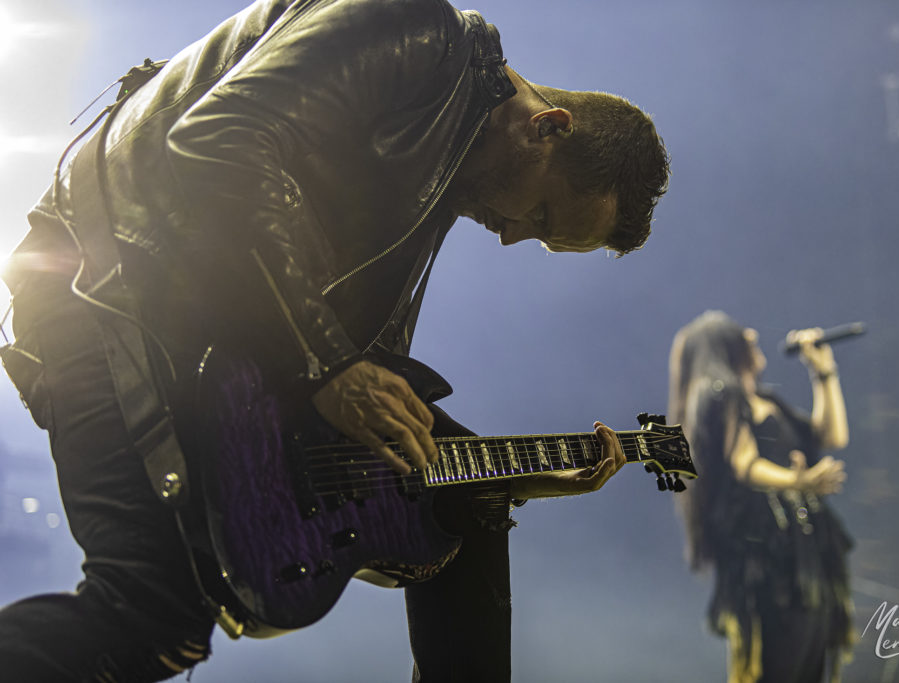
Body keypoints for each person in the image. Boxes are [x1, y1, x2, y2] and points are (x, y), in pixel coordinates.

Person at [0, 0, 670, 680]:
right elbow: (218, 138)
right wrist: (328, 363)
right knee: (149, 612)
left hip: (203, 326)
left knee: (462, 511)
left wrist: (508, 479)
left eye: (542, 237)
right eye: (542, 213)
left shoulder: (450, 163)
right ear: (547, 129)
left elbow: (367, 385)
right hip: (99, 282)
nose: (512, 234)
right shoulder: (412, 27)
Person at [668, 311, 853, 683]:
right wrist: (797, 482)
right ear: (725, 349)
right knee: (779, 662)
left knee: (810, 658)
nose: (751, 334)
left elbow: (832, 435)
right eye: (739, 334)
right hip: (768, 561)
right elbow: (744, 462)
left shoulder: (767, 400)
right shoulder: (721, 397)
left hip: (806, 555)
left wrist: (823, 372)